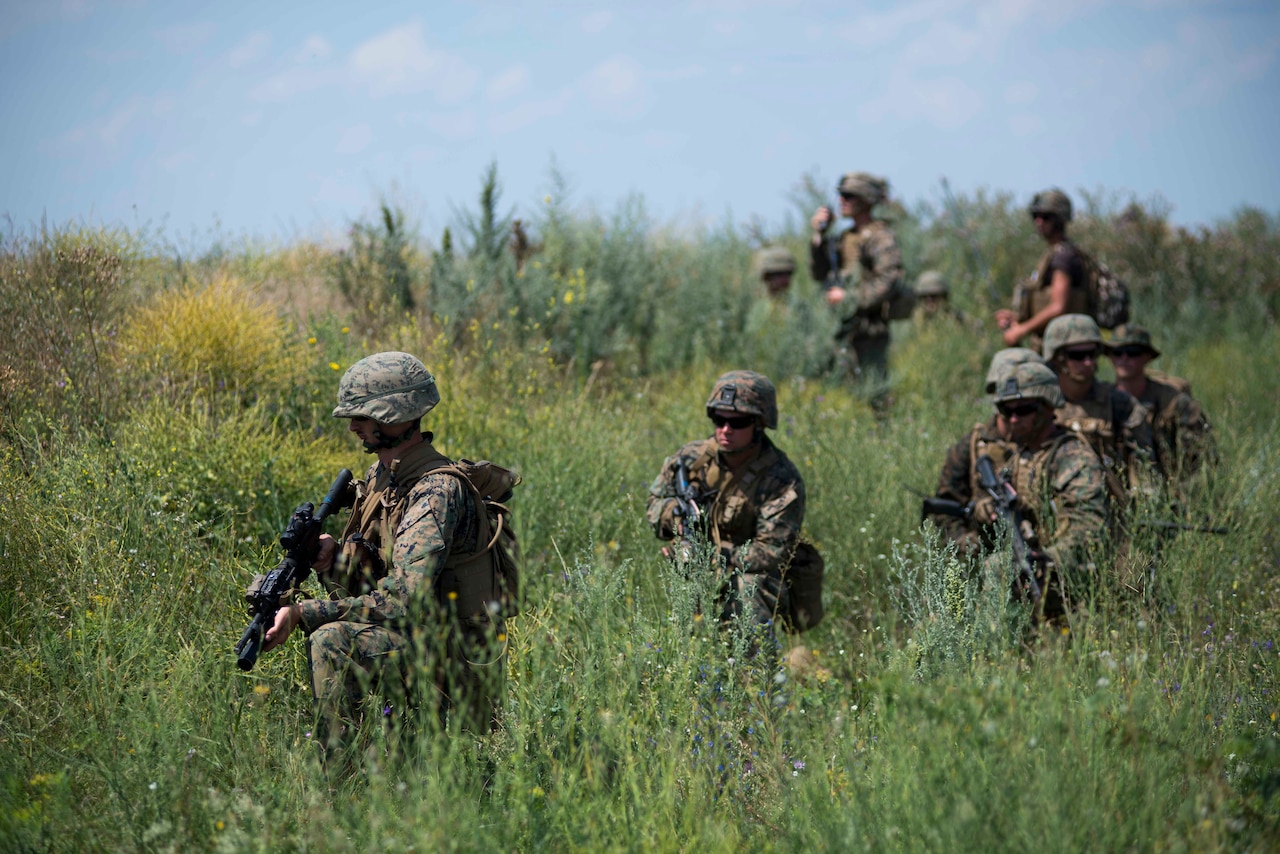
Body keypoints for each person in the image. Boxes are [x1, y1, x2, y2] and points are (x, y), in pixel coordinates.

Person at [261, 351, 510, 761]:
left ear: (395, 414)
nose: (354, 427)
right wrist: (333, 560)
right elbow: (377, 579)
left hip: (453, 662)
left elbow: (400, 601)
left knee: (331, 640)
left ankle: (339, 784)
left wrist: (304, 613)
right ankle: (381, 759)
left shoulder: (435, 494)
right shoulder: (384, 478)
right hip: (418, 639)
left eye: (363, 416)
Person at [929, 361, 1109, 620]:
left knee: (998, 568)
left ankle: (998, 649)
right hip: (1028, 563)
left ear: (1048, 408)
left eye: (1023, 410)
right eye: (1006, 410)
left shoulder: (1072, 457)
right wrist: (983, 509)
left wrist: (1047, 558)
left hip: (1067, 570)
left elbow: (1090, 528)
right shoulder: (1020, 454)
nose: (1013, 419)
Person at [646, 370, 806, 639]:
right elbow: (654, 504)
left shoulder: (780, 479)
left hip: (755, 576)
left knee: (747, 589)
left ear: (759, 423)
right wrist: (675, 517)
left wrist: (717, 558)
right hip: (696, 563)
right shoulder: (690, 459)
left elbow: (772, 551)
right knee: (683, 605)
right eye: (719, 419)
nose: (725, 429)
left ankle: (754, 677)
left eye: (738, 421)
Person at [929, 347, 1046, 552]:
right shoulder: (973, 445)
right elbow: (945, 510)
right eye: (1007, 406)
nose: (1015, 417)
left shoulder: (1053, 445)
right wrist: (968, 542)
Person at [1041, 315, 1155, 501]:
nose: (1088, 362)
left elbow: (1143, 465)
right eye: (1077, 356)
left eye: (1092, 354)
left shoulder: (1121, 405)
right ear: (1057, 359)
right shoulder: (1039, 406)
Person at [809, 171, 905, 386]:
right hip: (842, 326)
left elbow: (889, 279)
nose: (842, 200)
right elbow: (819, 274)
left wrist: (849, 297)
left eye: (849, 195)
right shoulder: (845, 237)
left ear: (866, 199)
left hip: (869, 330)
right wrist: (819, 236)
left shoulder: (880, 236)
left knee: (871, 389)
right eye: (841, 195)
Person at [1106, 323, 1215, 487]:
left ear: (1147, 357)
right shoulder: (1104, 401)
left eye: (1133, 353)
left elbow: (1205, 455)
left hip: (1169, 487)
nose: (1124, 359)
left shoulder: (1173, 403)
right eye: (1118, 353)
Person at [995, 189, 1091, 352]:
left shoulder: (1064, 257)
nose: (1039, 222)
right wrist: (1016, 318)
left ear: (1060, 219)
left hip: (1064, 348)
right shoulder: (1054, 254)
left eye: (1046, 217)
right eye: (1036, 216)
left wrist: (1022, 330)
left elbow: (1058, 307)